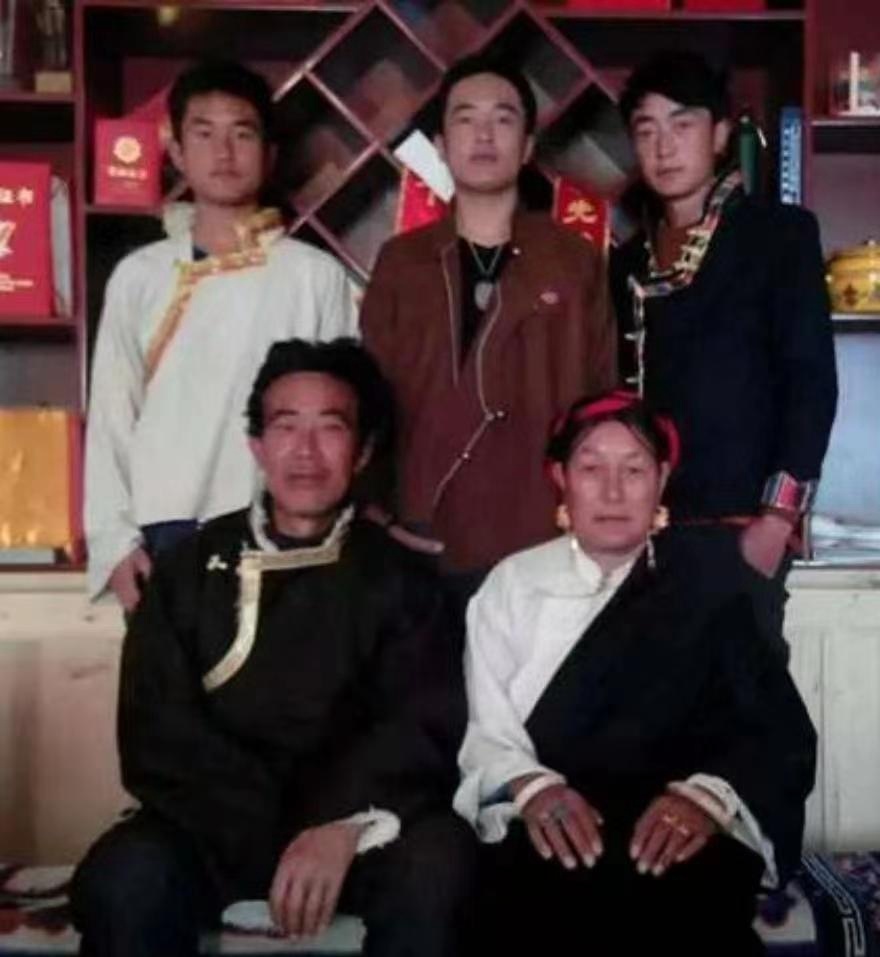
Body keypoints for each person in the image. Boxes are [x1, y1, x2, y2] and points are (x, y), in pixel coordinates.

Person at [71, 338, 473, 957]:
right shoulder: (186, 570)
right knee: (124, 878)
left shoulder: (403, 580)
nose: (306, 452)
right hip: (215, 825)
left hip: (350, 832)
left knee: (441, 867)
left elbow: (419, 724)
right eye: (286, 427)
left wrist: (339, 827)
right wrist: (273, 827)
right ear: (257, 445)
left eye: (330, 428)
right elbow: (156, 728)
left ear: (363, 450)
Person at [455, 390, 816, 957]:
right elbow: (488, 729)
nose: (613, 491)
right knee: (527, 901)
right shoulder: (512, 586)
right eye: (591, 468)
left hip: (679, 826)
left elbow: (772, 729)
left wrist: (706, 799)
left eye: (634, 469)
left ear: (662, 479)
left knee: (689, 902)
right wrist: (534, 788)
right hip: (550, 822)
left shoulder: (711, 588)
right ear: (560, 477)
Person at [85, 60, 358, 611]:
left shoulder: (314, 275)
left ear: (270, 154)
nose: (224, 152)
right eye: (204, 134)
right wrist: (114, 542)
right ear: (177, 152)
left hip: (285, 524)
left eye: (242, 133)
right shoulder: (141, 275)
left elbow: (345, 414)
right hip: (164, 529)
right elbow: (112, 415)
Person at [361, 53, 616, 605]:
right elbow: (367, 399)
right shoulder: (402, 262)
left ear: (527, 147)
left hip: (543, 536)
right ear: (441, 143)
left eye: (502, 119)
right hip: (423, 536)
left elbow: (602, 400)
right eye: (466, 119)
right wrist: (379, 515)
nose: (483, 135)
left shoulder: (573, 261)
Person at [610, 51, 837, 654]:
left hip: (744, 526)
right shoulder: (626, 261)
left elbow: (811, 383)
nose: (663, 147)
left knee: (745, 700)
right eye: (646, 130)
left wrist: (776, 522)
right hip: (645, 533)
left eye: (681, 125)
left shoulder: (778, 236)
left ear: (718, 135)